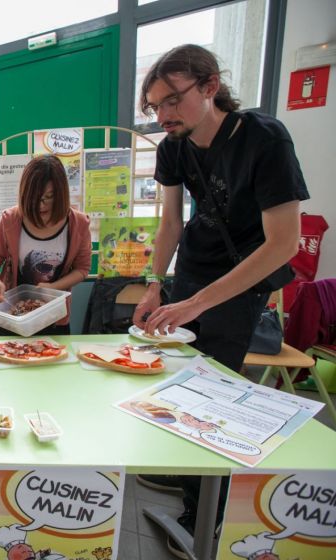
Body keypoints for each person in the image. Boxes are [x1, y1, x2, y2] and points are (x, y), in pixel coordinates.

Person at [131, 44, 309, 558]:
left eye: (172, 101)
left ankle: (207, 517)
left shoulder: (264, 137)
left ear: (210, 86)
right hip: (192, 270)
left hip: (242, 282)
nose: (163, 116)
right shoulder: (174, 146)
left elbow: (284, 243)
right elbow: (170, 223)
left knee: (217, 395)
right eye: (154, 107)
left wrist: (198, 304)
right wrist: (154, 283)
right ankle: (188, 481)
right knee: (175, 382)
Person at [0, 155, 91, 336]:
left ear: (62, 194)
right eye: (35, 198)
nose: (42, 205)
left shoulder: (78, 223)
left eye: (49, 197)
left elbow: (82, 269)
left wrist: (54, 288)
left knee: (52, 361)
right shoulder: (11, 220)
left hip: (54, 317)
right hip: (10, 316)